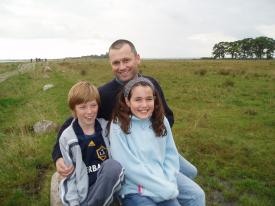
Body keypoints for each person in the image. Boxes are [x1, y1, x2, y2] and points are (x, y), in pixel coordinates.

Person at [52, 39, 205, 205]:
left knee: (194, 186)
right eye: (116, 62)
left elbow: (167, 116)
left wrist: (149, 133)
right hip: (130, 159)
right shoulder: (105, 94)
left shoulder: (151, 84)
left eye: (126, 60)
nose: (122, 67)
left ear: (137, 58)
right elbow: (75, 121)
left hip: (156, 152)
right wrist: (58, 156)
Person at [110, 77, 180, 206]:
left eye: (149, 99)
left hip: (163, 185)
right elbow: (128, 166)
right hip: (135, 191)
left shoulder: (161, 120)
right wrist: (163, 188)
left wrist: (169, 182)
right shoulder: (118, 126)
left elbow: (171, 155)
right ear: (127, 101)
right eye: (138, 100)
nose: (144, 105)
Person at [58, 81, 124, 206]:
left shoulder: (107, 128)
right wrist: (73, 203)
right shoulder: (68, 138)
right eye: (82, 107)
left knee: (113, 166)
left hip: (107, 189)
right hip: (84, 194)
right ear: (74, 109)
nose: (89, 111)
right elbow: (68, 177)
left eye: (93, 105)